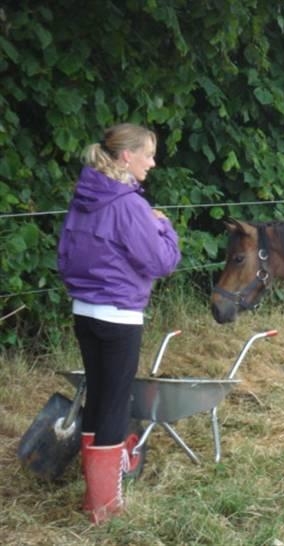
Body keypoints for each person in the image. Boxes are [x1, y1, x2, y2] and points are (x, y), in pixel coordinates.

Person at [57, 123, 181, 524]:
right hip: (118, 315)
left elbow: (66, 255)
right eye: (147, 153)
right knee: (114, 405)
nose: (153, 161)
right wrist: (163, 225)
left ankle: (94, 492)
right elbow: (161, 262)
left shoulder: (85, 197)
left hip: (85, 312)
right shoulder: (128, 205)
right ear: (126, 156)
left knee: (99, 398)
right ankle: (104, 506)